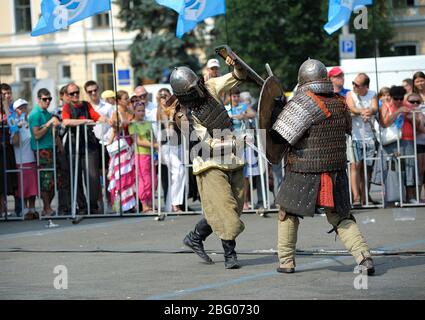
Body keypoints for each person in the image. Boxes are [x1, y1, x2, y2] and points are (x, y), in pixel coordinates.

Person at [269, 59, 375, 275]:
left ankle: (286, 262)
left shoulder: (304, 102)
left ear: (303, 80)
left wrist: (275, 112)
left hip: (303, 169)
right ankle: (363, 257)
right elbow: (345, 129)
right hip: (335, 170)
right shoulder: (338, 101)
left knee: (287, 213)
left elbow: (280, 136)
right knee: (341, 216)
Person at [170, 55, 249, 269]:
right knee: (225, 210)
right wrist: (235, 144)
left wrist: (237, 65)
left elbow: (237, 78)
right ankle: (229, 255)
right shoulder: (182, 116)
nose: (196, 91)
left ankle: (196, 236)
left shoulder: (211, 86)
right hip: (209, 164)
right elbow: (203, 148)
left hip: (233, 160)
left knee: (234, 209)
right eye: (191, 90)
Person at [62, 83, 109, 215]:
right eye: (72, 93)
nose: (75, 95)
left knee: (93, 176)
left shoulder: (86, 105)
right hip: (73, 144)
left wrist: (106, 119)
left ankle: (93, 205)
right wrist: (84, 121)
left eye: (77, 92)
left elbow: (96, 116)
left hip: (89, 144)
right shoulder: (67, 107)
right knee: (75, 176)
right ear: (67, 95)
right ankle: (81, 205)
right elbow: (66, 121)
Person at [346, 73, 379, 206]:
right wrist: (364, 111)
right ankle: (356, 197)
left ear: (365, 86)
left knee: (367, 169)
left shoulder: (372, 93)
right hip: (355, 137)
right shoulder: (350, 94)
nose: (353, 86)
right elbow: (351, 107)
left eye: (357, 84)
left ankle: (366, 196)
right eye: (353, 83)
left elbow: (375, 108)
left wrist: (369, 111)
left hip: (369, 137)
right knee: (355, 166)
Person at [28, 88, 61, 216]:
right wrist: (48, 124)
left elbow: (53, 132)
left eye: (49, 99)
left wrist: (60, 146)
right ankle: (47, 208)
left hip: (51, 149)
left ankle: (47, 207)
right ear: (39, 99)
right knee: (46, 181)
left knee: (56, 181)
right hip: (41, 150)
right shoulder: (35, 114)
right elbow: (36, 135)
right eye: (44, 99)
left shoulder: (47, 113)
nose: (47, 101)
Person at [107, 90, 137, 213]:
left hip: (130, 144)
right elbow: (114, 130)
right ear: (119, 100)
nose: (128, 100)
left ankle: (130, 204)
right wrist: (109, 142)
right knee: (121, 176)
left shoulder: (130, 111)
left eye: (128, 98)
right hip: (121, 146)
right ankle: (120, 205)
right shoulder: (116, 112)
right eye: (125, 98)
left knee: (130, 176)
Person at [156, 87, 185, 213]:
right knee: (179, 170)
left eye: (167, 96)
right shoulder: (160, 111)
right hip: (166, 146)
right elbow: (169, 130)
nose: (164, 98)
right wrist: (172, 115)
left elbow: (185, 124)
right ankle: (174, 204)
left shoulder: (176, 109)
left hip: (177, 144)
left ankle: (173, 203)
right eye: (162, 96)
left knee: (178, 174)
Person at [9, 99, 38, 219]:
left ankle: (32, 208)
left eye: (25, 107)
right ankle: (26, 210)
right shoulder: (13, 124)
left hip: (32, 159)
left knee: (33, 188)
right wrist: (16, 129)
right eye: (20, 108)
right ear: (16, 111)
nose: (23, 110)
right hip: (21, 161)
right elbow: (14, 142)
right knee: (24, 189)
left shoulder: (29, 122)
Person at [129, 101, 158, 212]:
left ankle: (150, 202)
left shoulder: (147, 123)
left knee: (153, 180)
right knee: (144, 180)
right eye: (139, 111)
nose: (141, 113)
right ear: (134, 112)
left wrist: (155, 147)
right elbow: (137, 141)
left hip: (151, 155)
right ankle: (144, 204)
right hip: (141, 155)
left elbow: (153, 137)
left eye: (143, 110)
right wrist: (154, 145)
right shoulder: (132, 124)